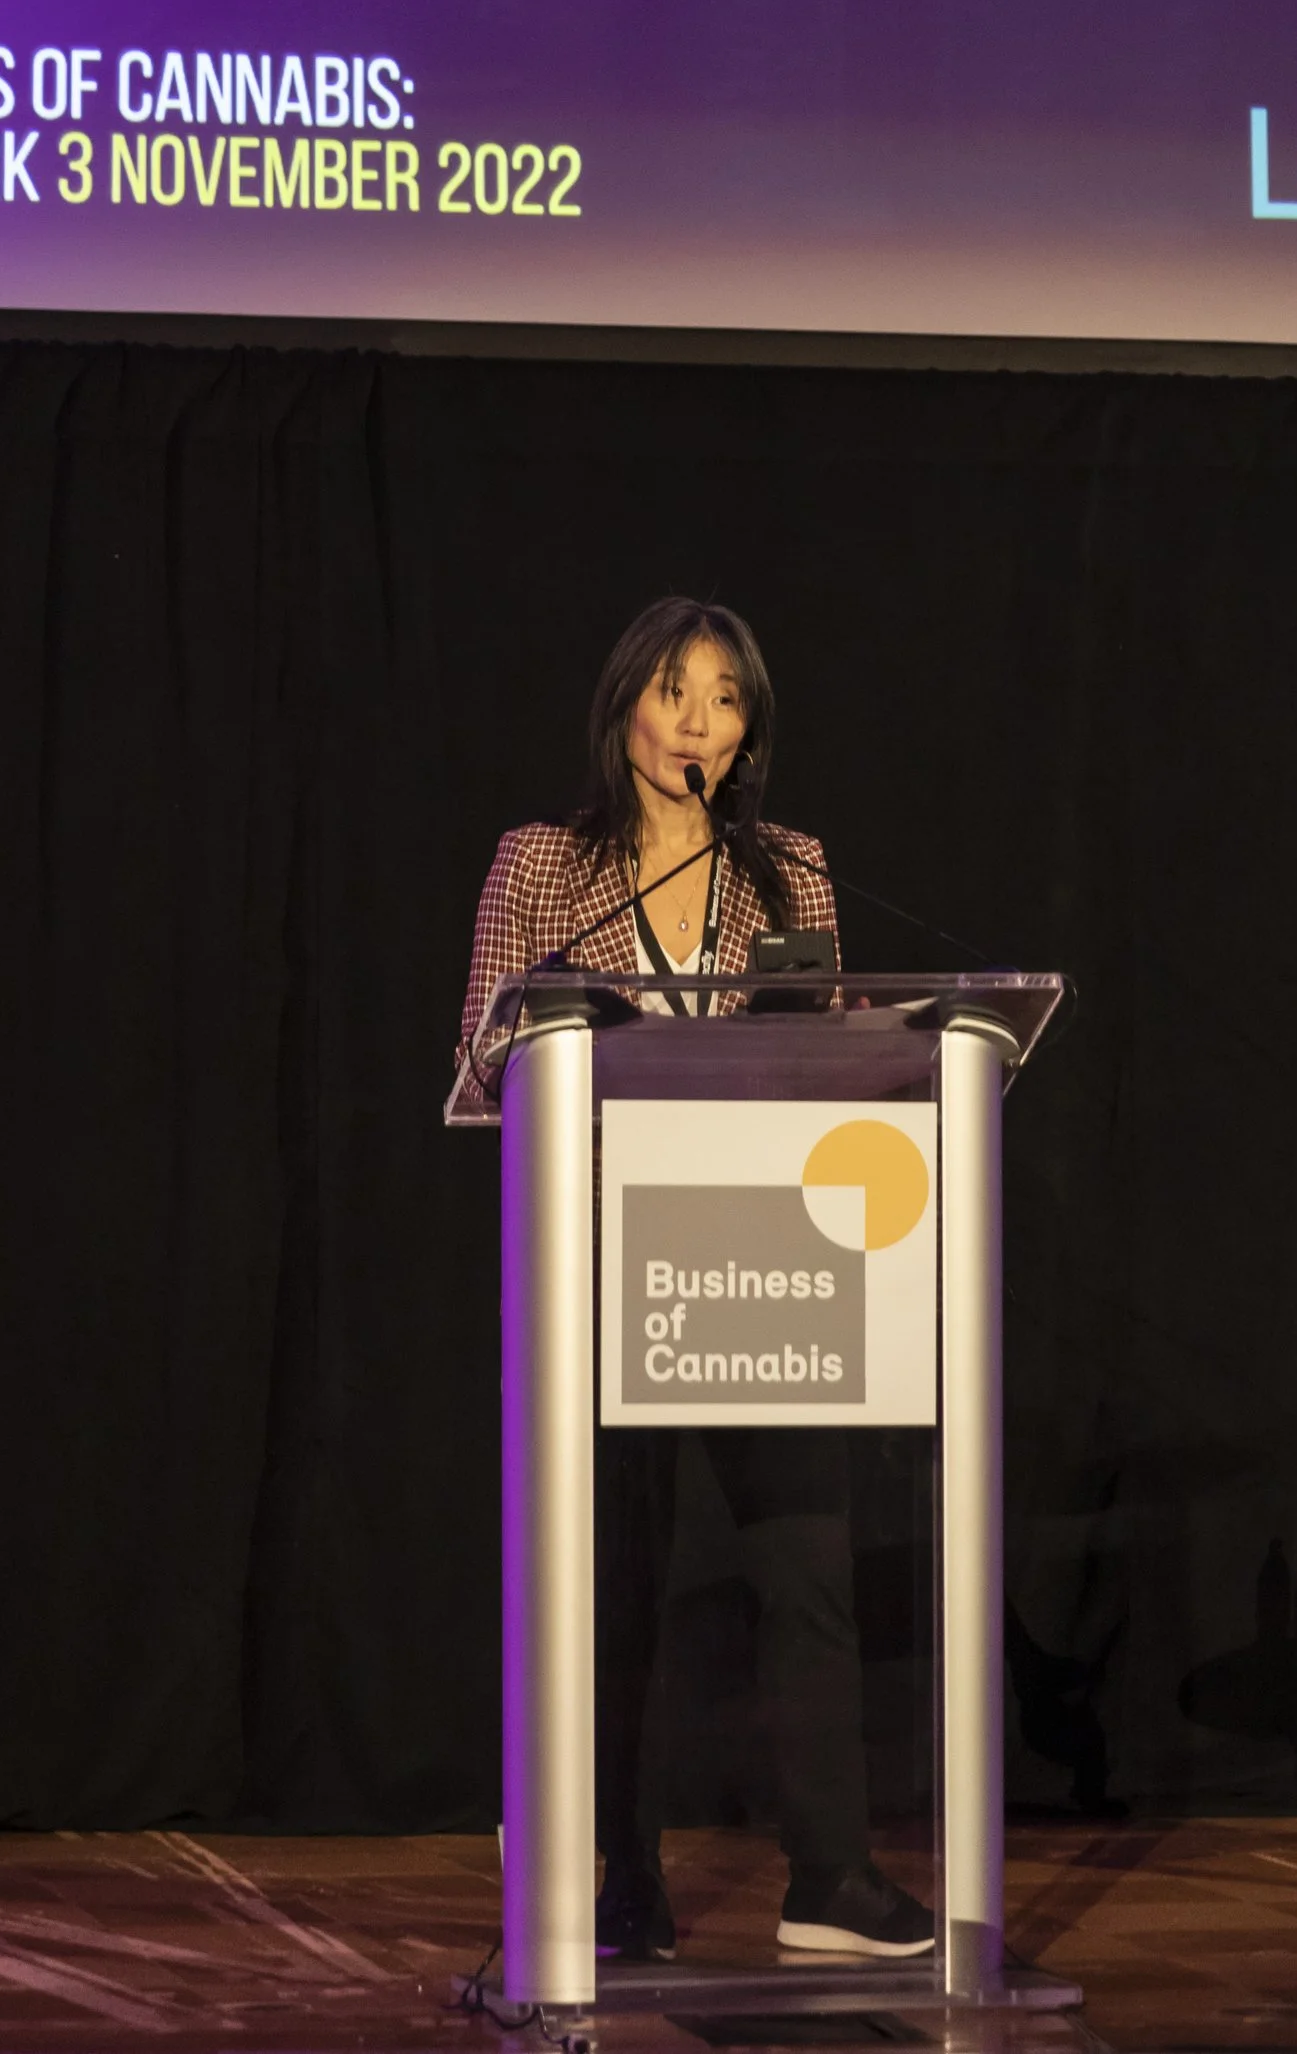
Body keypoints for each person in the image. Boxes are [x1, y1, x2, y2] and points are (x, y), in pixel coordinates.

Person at [455, 595, 936, 1969]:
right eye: (677, 692)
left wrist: (867, 1048)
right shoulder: (546, 864)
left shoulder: (791, 872)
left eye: (727, 701)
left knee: (809, 1568)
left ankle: (830, 1877)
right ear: (626, 707)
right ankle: (621, 1875)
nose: (700, 724)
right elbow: (483, 1060)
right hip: (602, 1255)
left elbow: (822, 1055)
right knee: (616, 1579)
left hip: (765, 1255)